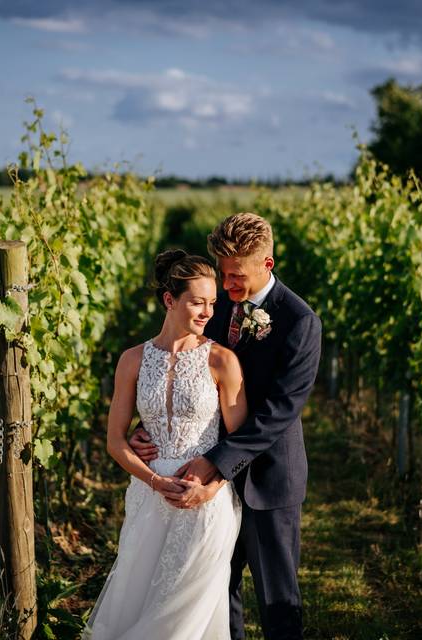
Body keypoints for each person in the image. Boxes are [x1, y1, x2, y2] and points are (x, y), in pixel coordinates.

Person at [131, 213, 322, 640]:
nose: (226, 284)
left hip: (267, 481)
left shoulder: (299, 321)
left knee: (277, 600)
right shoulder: (212, 308)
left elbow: (278, 411)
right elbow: (183, 370)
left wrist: (216, 464)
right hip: (204, 478)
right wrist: (151, 429)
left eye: (235, 275)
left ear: (266, 265)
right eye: (222, 272)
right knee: (217, 589)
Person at [82, 250, 247, 640]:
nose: (208, 311)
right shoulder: (133, 359)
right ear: (170, 300)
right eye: (197, 302)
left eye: (212, 303)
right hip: (146, 499)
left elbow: (239, 442)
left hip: (206, 502)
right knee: (140, 600)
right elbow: (115, 441)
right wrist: (154, 481)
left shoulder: (222, 361)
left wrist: (210, 487)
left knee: (182, 616)